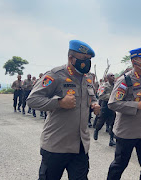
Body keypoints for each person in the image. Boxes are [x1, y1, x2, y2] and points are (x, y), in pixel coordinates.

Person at [26, 40, 100, 180]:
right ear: (71, 58)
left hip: (80, 146)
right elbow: (32, 100)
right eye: (84, 59)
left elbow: (92, 96)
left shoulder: (88, 78)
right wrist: (59, 102)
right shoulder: (55, 75)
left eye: (89, 59)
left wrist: (94, 104)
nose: (87, 63)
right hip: (56, 145)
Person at [107, 47, 141, 180]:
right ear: (134, 61)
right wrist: (137, 105)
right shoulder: (125, 80)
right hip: (127, 131)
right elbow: (112, 103)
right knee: (119, 165)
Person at [93, 73, 116, 146]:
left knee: (113, 123)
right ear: (108, 78)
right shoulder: (104, 86)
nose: (113, 77)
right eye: (111, 76)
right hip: (105, 105)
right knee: (101, 121)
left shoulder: (115, 85)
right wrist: (111, 96)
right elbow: (100, 95)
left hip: (113, 106)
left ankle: (111, 140)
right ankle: (96, 130)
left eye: (113, 76)